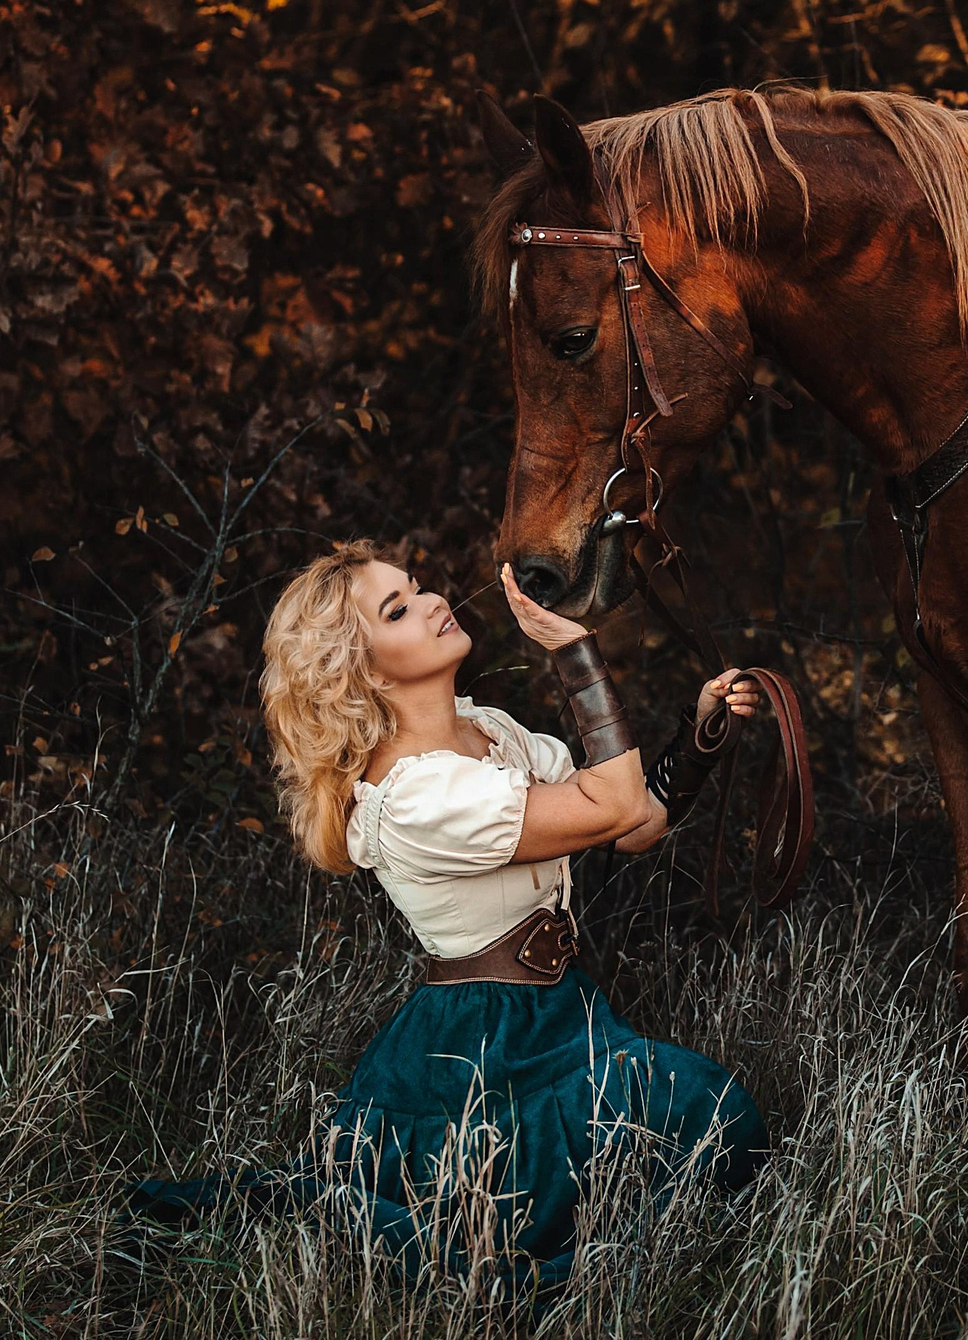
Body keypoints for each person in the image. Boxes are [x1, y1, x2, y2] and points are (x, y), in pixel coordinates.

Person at [131, 541, 768, 1288]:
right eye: (397, 608)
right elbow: (615, 801)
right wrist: (575, 653)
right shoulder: (412, 799)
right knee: (702, 1110)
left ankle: (633, 1272)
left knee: (705, 1123)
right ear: (361, 669)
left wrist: (700, 736)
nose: (434, 601)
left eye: (419, 586)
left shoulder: (490, 730)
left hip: (559, 1016)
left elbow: (630, 825)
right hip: (479, 1049)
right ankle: (588, 1288)